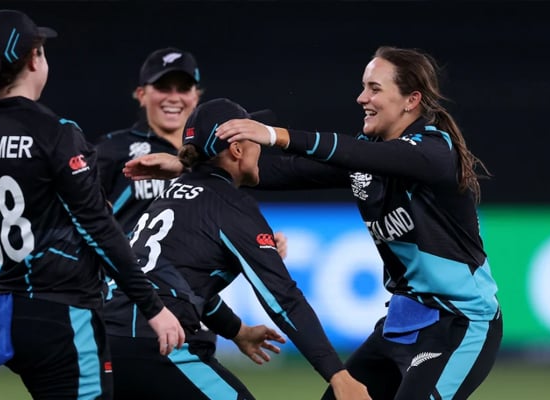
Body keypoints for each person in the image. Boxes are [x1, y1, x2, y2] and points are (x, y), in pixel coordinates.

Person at [208, 46, 502, 399]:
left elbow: (358, 153)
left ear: (411, 100)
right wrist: (193, 167)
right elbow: (275, 172)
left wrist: (275, 135)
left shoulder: (437, 151)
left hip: (460, 323)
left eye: (375, 88)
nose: (362, 97)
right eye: (364, 87)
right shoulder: (368, 154)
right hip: (403, 322)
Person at [0, 9, 184, 400]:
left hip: (3, 316)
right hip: (62, 312)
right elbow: (98, 226)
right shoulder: (56, 134)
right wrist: (152, 307)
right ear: (34, 59)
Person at [105, 97, 371, 400]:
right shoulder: (230, 206)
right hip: (157, 345)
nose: (261, 146)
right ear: (237, 149)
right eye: (254, 137)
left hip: (110, 341)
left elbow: (182, 286)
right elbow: (284, 298)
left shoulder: (173, 192)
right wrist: (337, 374)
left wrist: (237, 331)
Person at [96, 47, 287, 369]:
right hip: (129, 317)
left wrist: (261, 245)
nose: (174, 97)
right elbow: (84, 227)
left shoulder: (216, 164)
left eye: (183, 88)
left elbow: (194, 260)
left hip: (189, 318)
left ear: (196, 96)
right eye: (162, 87)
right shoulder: (113, 153)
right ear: (141, 94)